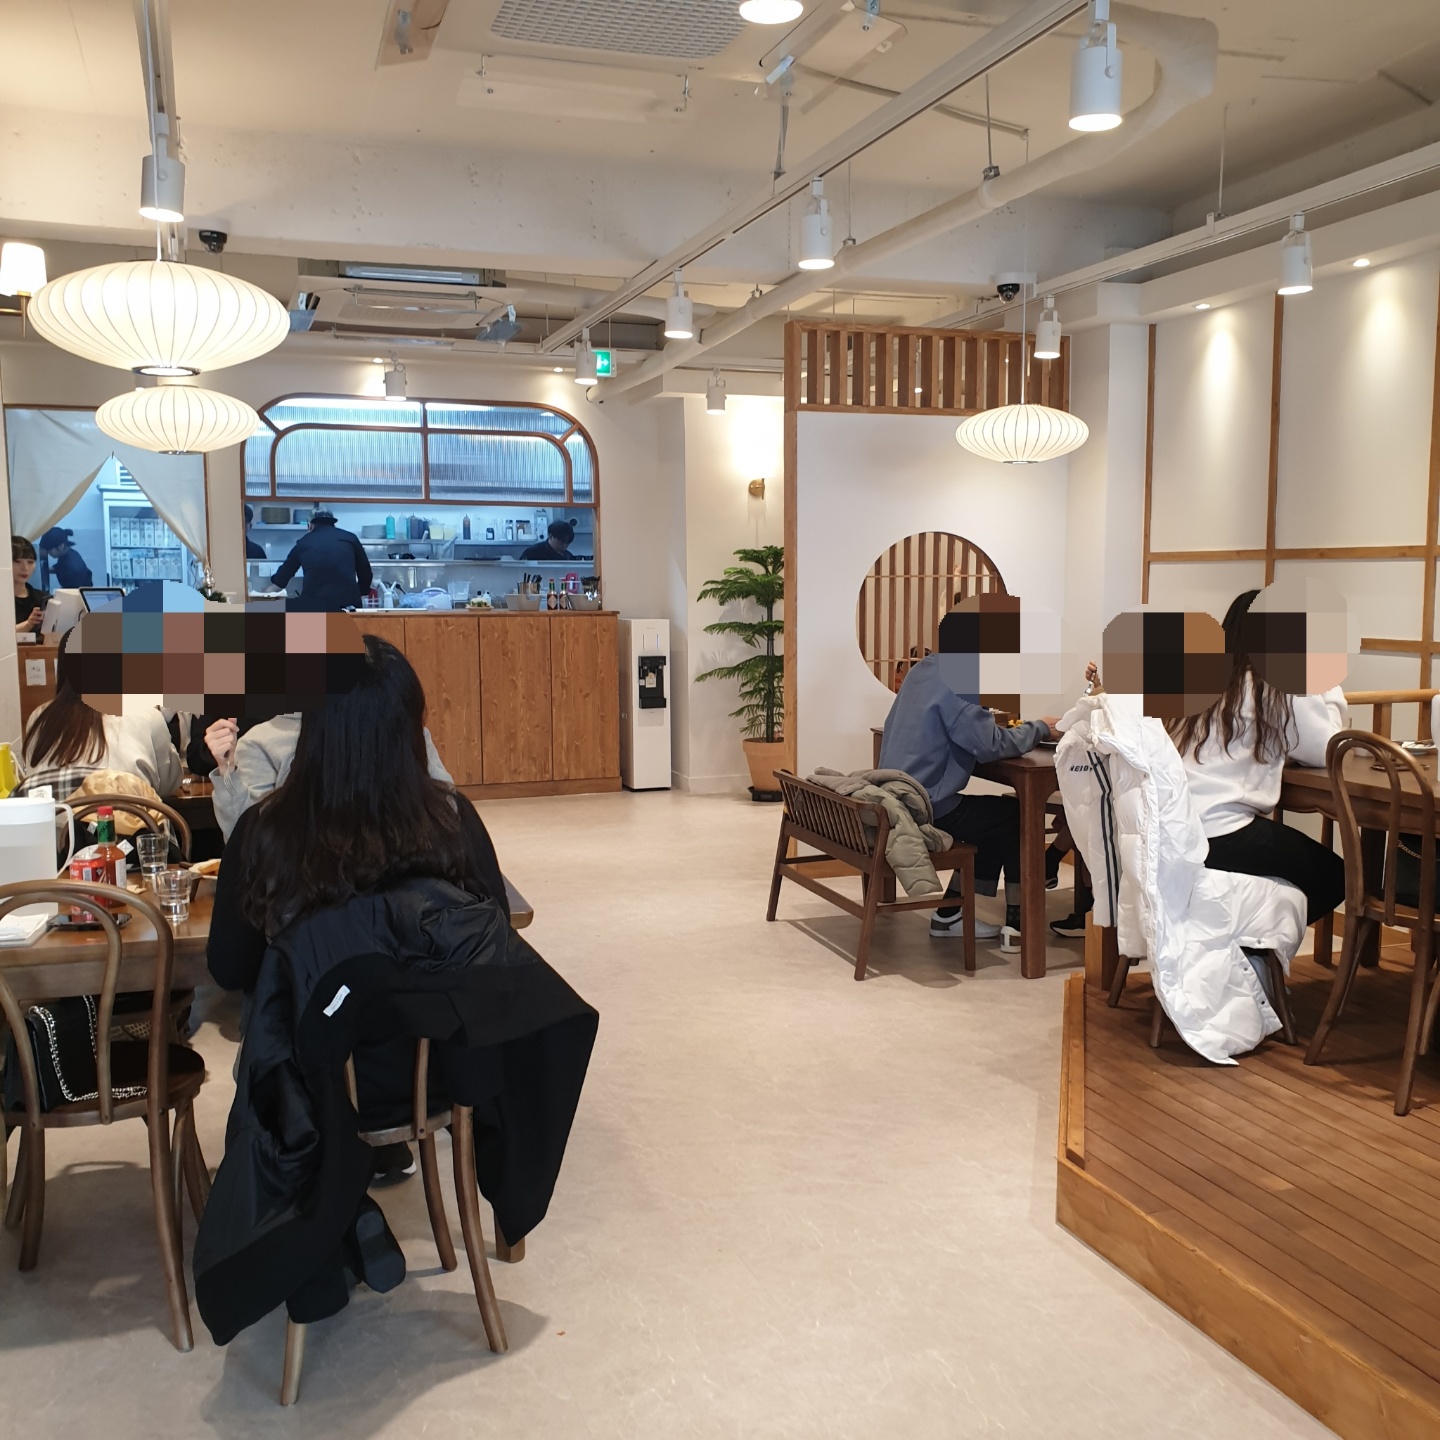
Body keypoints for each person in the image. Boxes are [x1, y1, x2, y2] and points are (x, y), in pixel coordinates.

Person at [196, 634, 597, 1345]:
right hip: (436, 1068)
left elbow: (229, 967)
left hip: (311, 1081)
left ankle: (324, 1223)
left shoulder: (266, 831)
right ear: (411, 728)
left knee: (281, 1027)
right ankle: (350, 1208)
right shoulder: (451, 822)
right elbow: (489, 930)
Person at [1166, 589, 1347, 925]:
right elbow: (1327, 748)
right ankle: (1252, 946)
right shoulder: (1277, 682)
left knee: (1293, 863)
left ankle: (1244, 941)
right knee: (1336, 876)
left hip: (1173, 827)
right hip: (1219, 830)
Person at [879, 611, 1061, 941]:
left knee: (992, 817)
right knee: (1013, 815)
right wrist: (1040, 728)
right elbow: (989, 745)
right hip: (925, 806)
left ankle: (952, 913)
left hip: (897, 794)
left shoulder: (924, 668)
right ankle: (1018, 924)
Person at [203, 710, 453, 840]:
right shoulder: (261, 741)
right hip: (312, 897)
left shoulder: (392, 725)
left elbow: (449, 809)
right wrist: (227, 771)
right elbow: (245, 839)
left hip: (400, 885)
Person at [14, 628, 182, 799]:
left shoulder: (39, 717)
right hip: (126, 815)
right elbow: (170, 784)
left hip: (54, 816)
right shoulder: (148, 716)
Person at [269, 506, 371, 611]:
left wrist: (268, 591)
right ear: (333, 523)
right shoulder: (350, 538)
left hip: (315, 607)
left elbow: (284, 575)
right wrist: (359, 593)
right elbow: (366, 572)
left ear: (310, 525)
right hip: (349, 607)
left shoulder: (304, 542)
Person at [37, 526, 94, 590]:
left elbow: (73, 591)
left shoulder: (73, 569)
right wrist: (47, 570)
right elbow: (61, 566)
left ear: (61, 546)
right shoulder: (67, 554)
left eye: (49, 550)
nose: (48, 553)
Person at [12, 536, 49, 634]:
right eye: (17, 561)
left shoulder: (43, 598)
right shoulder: (4, 600)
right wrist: (28, 624)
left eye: (30, 562)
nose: (25, 568)